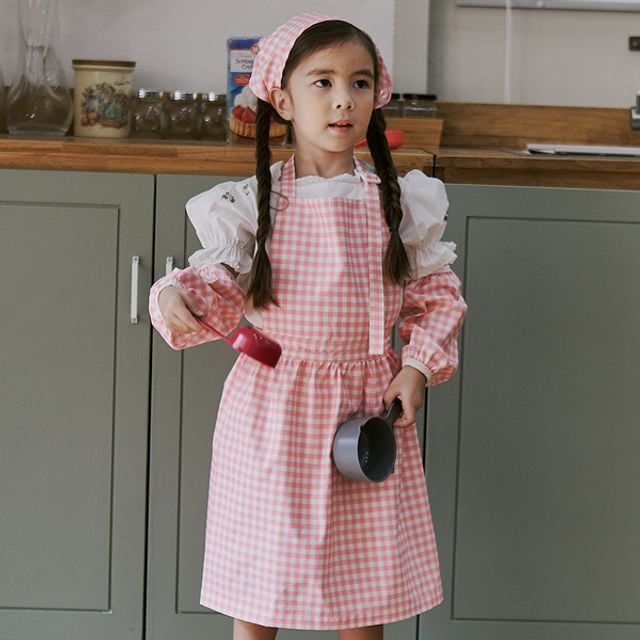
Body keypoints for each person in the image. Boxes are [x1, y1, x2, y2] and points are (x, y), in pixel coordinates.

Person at [149, 12, 467, 640]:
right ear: (283, 99)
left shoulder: (399, 205)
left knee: (362, 586)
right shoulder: (251, 205)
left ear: (376, 95)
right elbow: (216, 285)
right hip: (274, 411)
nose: (343, 99)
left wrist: (416, 367)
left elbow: (436, 296)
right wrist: (173, 294)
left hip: (366, 410)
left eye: (359, 82)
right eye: (322, 82)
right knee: (262, 583)